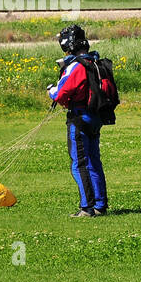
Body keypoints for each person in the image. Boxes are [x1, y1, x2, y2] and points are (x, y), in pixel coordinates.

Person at [48, 24, 109, 217]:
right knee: (93, 161)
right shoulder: (94, 62)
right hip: (95, 118)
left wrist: (50, 89)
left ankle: (87, 207)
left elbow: (60, 93)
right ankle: (99, 205)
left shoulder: (76, 65)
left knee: (79, 163)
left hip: (79, 118)